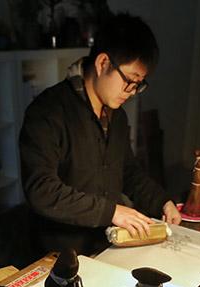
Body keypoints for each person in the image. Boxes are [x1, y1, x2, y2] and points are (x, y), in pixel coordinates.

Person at [19, 13, 181, 256]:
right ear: (103, 63)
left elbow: (127, 171)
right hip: (60, 254)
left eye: (139, 84)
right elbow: (42, 190)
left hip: (107, 245)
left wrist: (162, 201)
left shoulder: (116, 115)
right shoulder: (48, 112)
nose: (133, 92)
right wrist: (112, 212)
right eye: (130, 80)